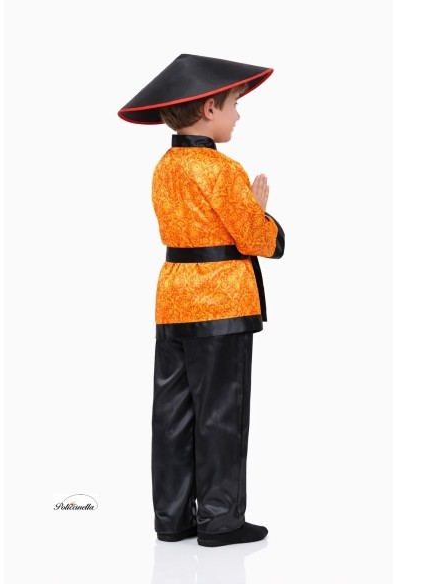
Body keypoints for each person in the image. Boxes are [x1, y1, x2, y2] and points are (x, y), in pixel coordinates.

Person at [118, 54, 285, 547]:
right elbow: (257, 240)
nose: (238, 114)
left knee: (173, 413)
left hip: (173, 298)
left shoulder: (164, 168)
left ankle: (172, 518)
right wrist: (261, 213)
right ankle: (220, 520)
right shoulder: (222, 169)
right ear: (209, 108)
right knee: (220, 413)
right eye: (233, 104)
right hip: (221, 303)